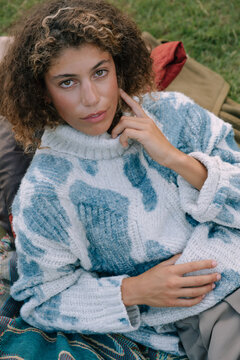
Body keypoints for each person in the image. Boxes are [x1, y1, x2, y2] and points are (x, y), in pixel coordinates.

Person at [0, 0, 240, 359]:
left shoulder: (173, 113)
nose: (92, 98)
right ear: (42, 92)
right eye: (68, 82)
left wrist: (174, 158)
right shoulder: (45, 192)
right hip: (205, 316)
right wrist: (132, 291)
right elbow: (41, 300)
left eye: (100, 72)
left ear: (118, 64)